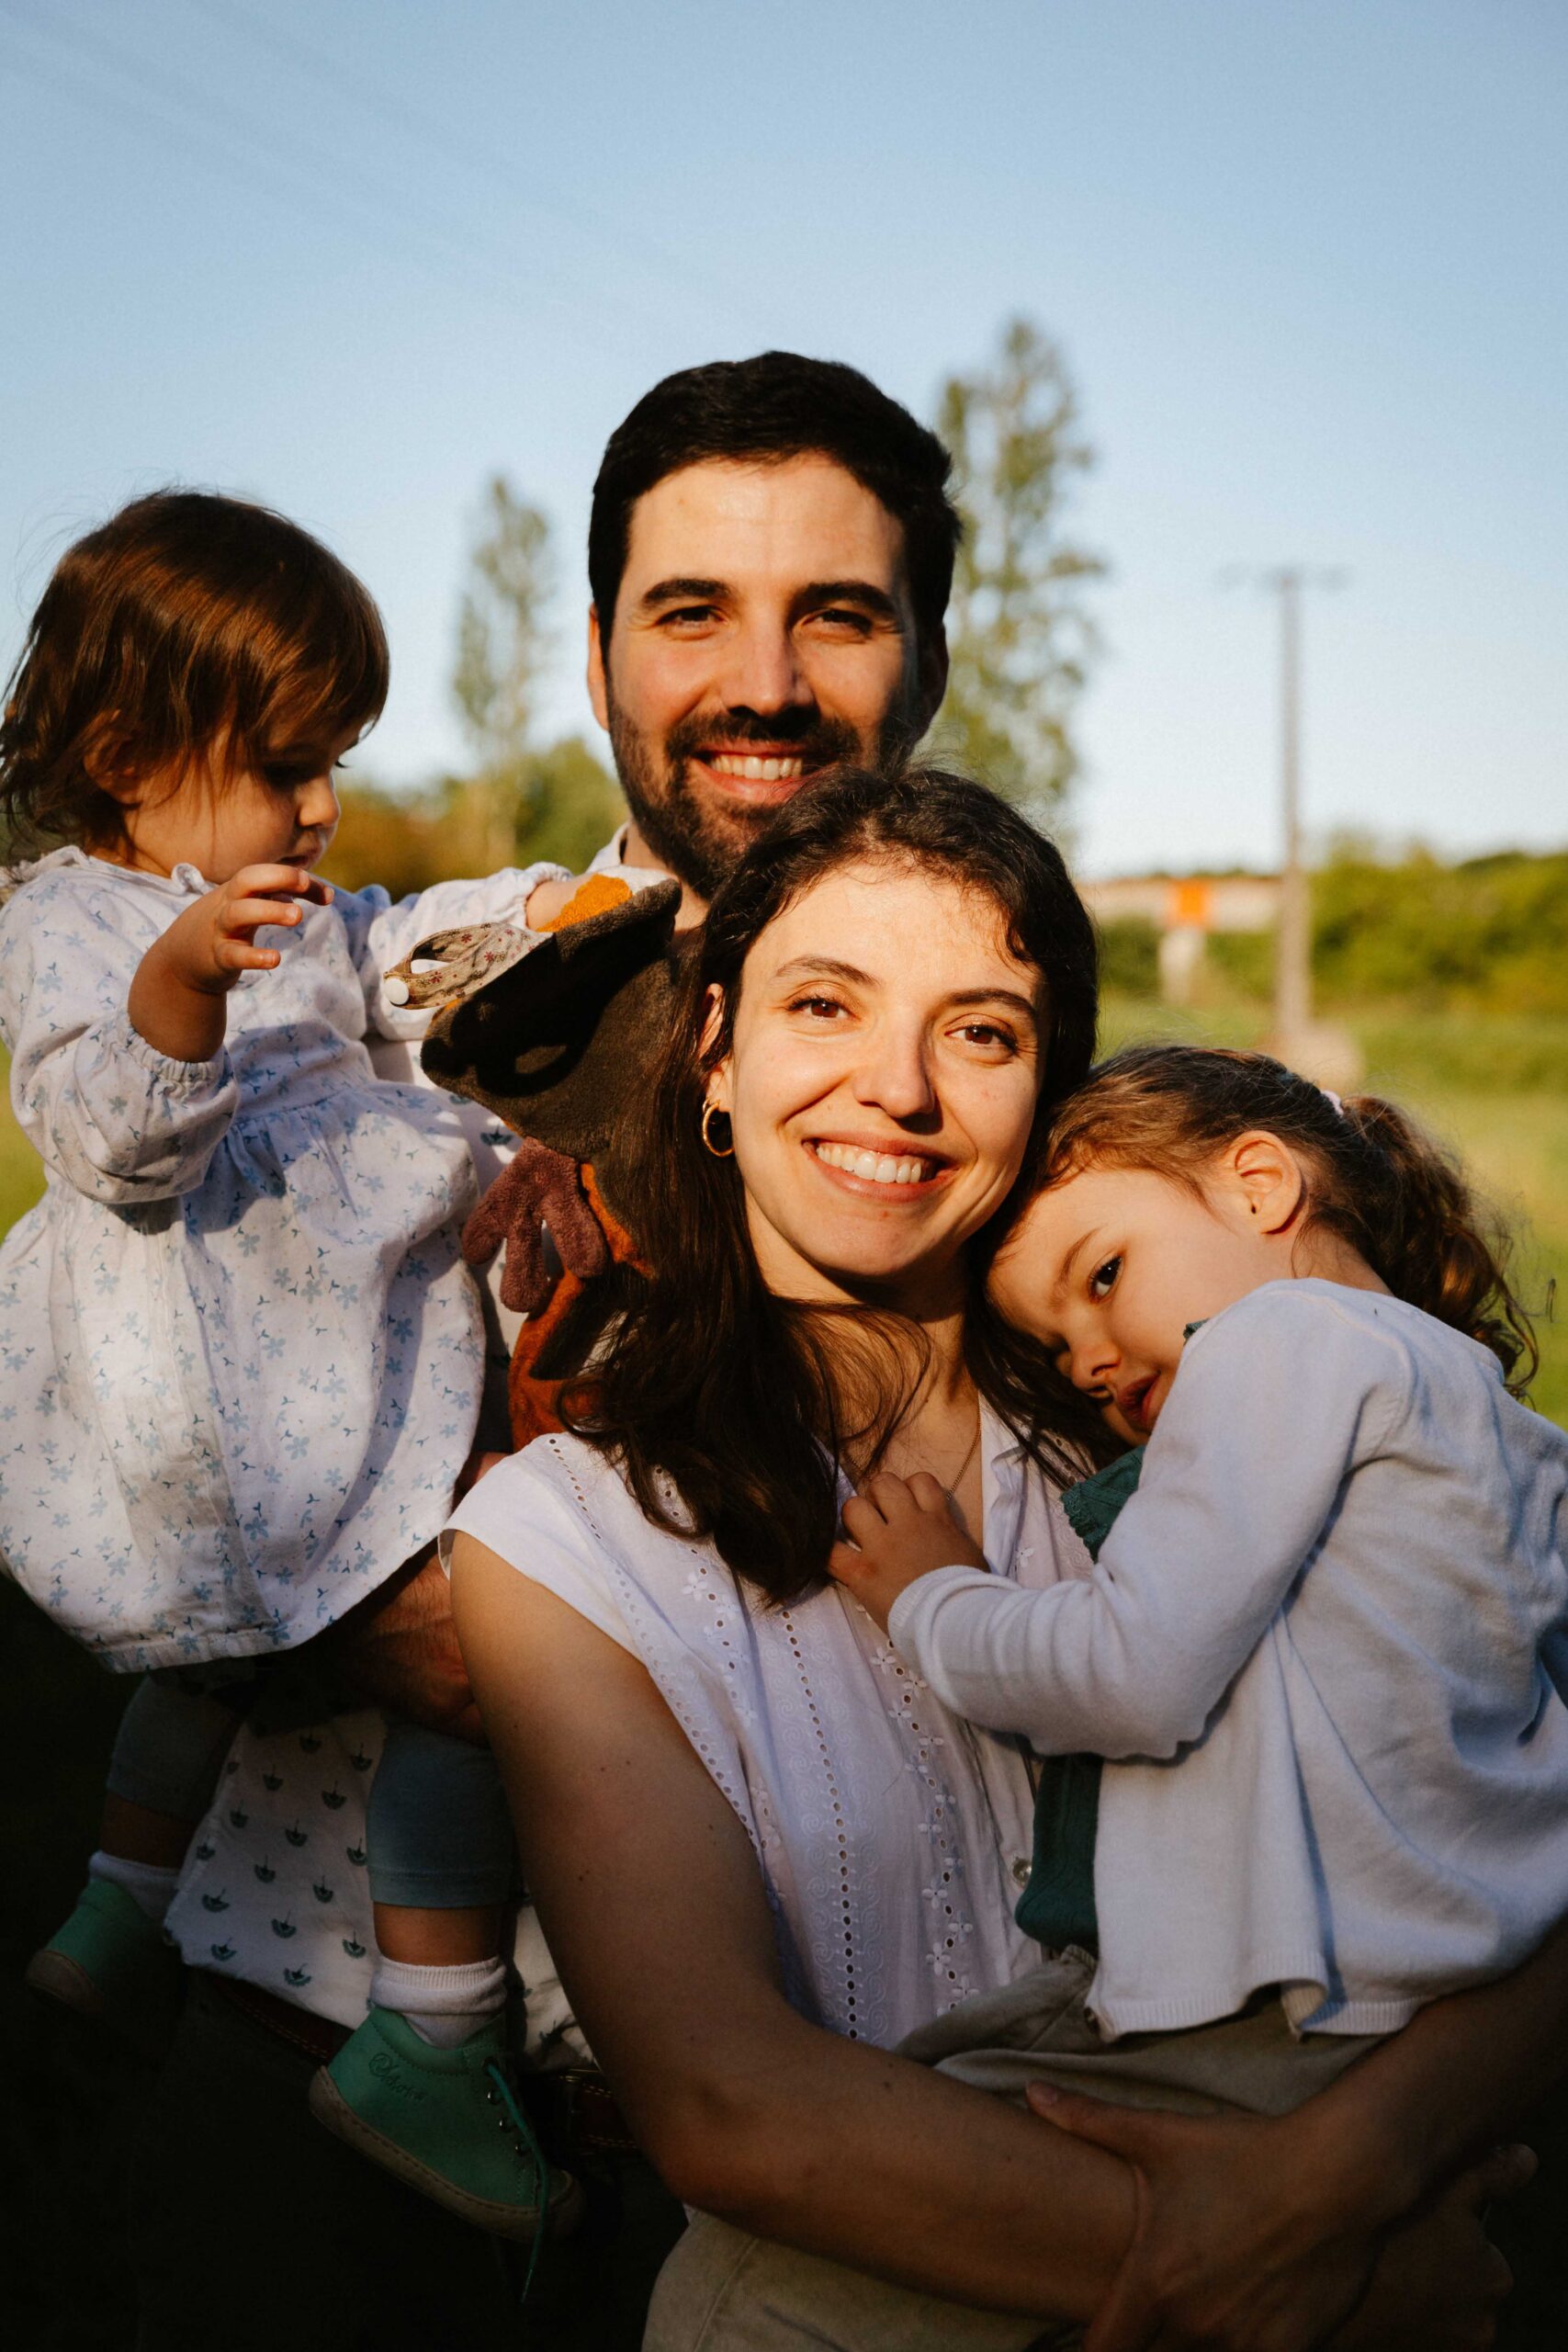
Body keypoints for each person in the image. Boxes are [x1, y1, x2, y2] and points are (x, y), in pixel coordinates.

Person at [449, 768, 1541, 2352]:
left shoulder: (1185, 1431)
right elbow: (728, 2106)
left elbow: (1518, 1821)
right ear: (715, 1053)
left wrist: (1347, 2172)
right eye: (824, 1004)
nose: (896, 1087)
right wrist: (1326, 2276)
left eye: (979, 1031)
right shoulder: (562, 1542)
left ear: (1043, 1097)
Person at [118, 352, 961, 2348]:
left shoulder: (1008, 1073)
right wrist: (329, 1619)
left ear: (924, 653)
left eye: (833, 610)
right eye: (690, 612)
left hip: (838, 2111)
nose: (760, 678)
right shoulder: (364, 995)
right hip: (309, 2034)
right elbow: (73, 1398)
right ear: (597, 654)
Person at [677, 1039, 1565, 2348]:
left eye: (1104, 1278)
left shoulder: (1278, 1338)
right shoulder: (1502, 1424)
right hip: (1423, 2017)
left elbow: (1135, 1671)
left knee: (748, 2285)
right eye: (1056, 1338)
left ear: (1261, 1184)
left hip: (1275, 2016)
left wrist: (932, 1594)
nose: (1091, 1360)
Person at [0, 488, 578, 2240]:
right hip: (229, 1405)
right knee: (471, 1656)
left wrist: (546, 906)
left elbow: (405, 958)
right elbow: (107, 1138)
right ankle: (431, 2029)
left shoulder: (293, 897)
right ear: (125, 751)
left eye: (334, 759)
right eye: (289, 763)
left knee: (219, 1655)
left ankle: (117, 1909)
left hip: (295, 1384)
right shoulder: (73, 928)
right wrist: (175, 989)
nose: (324, 805)